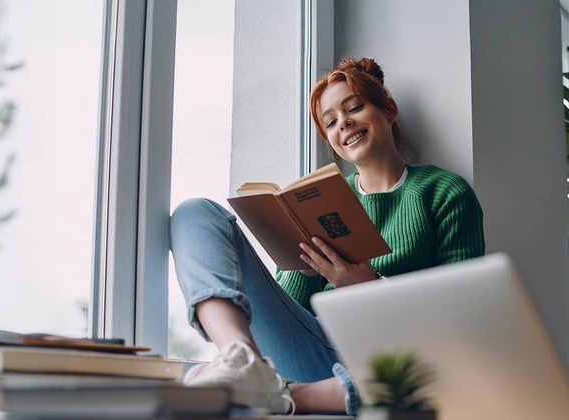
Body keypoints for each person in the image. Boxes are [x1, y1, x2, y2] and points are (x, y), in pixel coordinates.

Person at [169, 57, 485, 415]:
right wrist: (299, 268)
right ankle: (240, 358)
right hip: (316, 348)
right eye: (330, 122)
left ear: (390, 110)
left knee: (441, 368)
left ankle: (285, 396)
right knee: (194, 213)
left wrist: (371, 288)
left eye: (355, 108)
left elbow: (464, 316)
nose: (344, 123)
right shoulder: (324, 199)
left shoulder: (443, 191)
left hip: (392, 358)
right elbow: (290, 314)